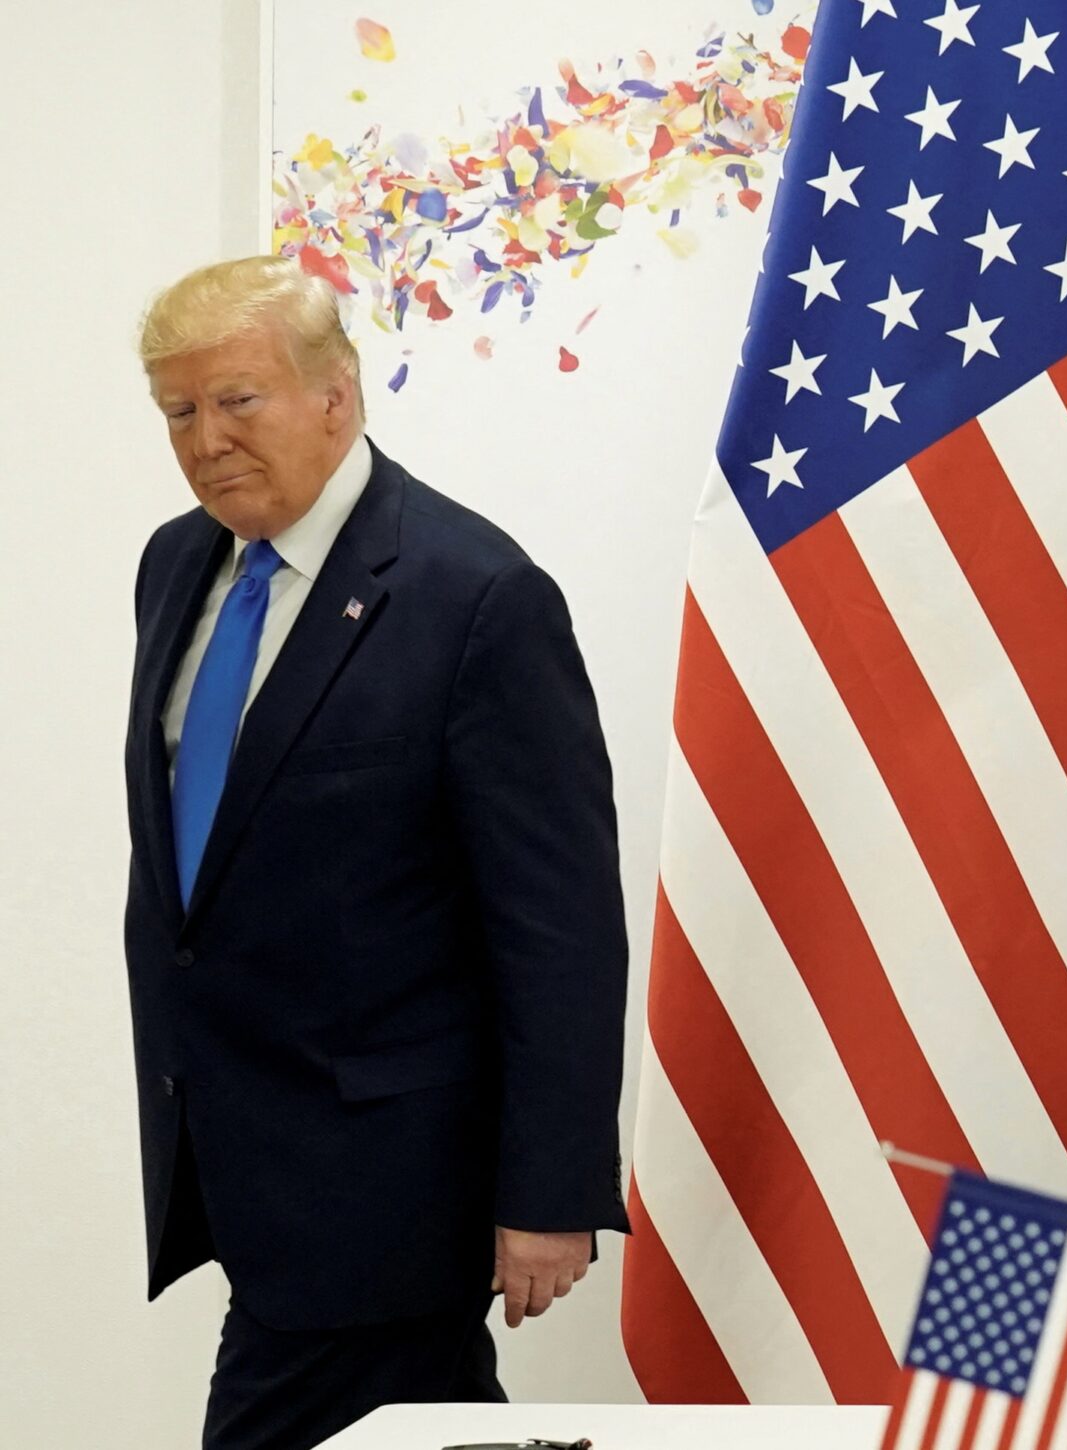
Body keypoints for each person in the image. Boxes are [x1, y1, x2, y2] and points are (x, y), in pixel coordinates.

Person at [123, 256, 629, 1450]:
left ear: (336, 394)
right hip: (240, 1146)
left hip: (389, 1174)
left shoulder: (478, 595)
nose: (207, 441)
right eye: (180, 411)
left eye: (237, 400)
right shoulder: (177, 565)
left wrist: (550, 1189)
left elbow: (558, 926)